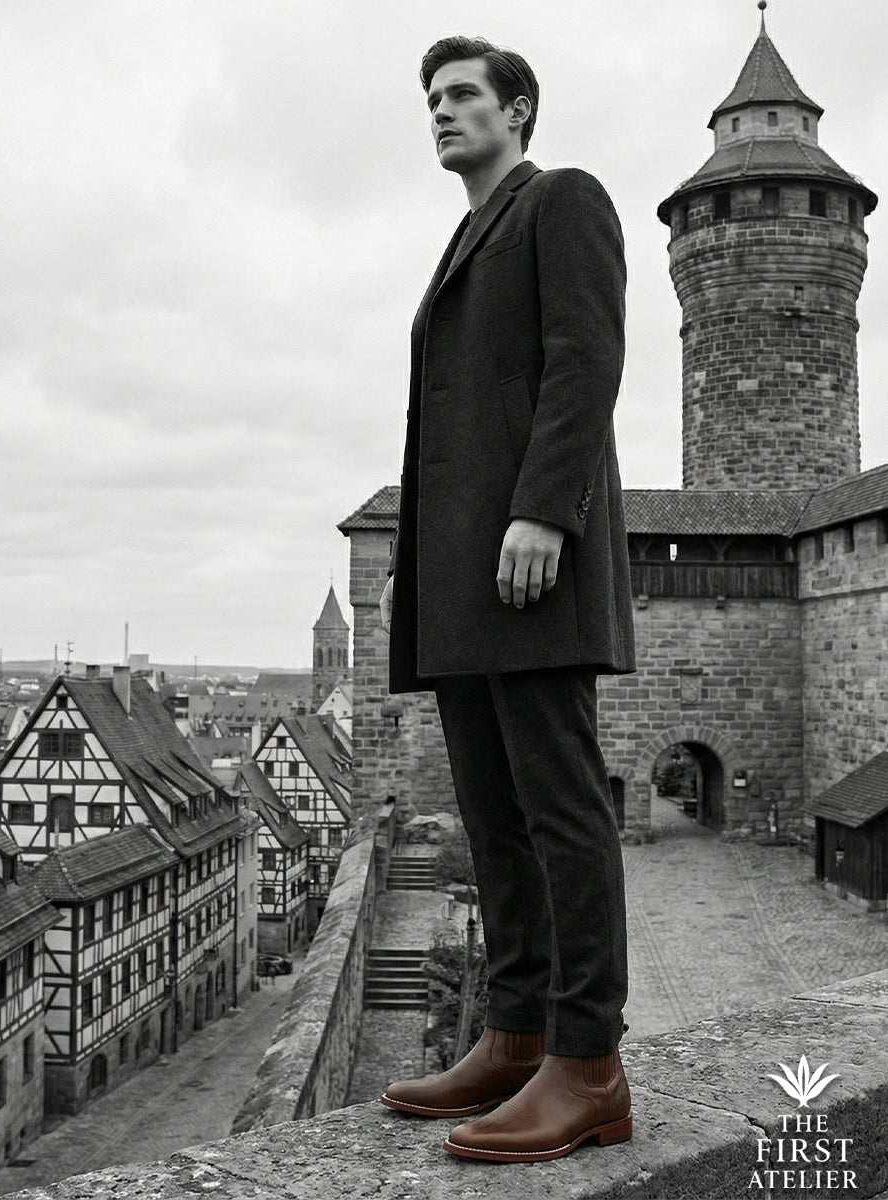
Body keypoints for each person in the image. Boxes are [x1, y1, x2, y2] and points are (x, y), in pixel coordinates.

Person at [378, 35, 636, 1163]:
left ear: (518, 110)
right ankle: (517, 1033)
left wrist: (545, 510)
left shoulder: (560, 201)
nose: (440, 111)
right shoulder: (462, 238)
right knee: (492, 819)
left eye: (463, 95)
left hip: (530, 564)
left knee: (562, 813)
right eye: (431, 99)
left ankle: (590, 1067)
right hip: (462, 585)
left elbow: (587, 356)